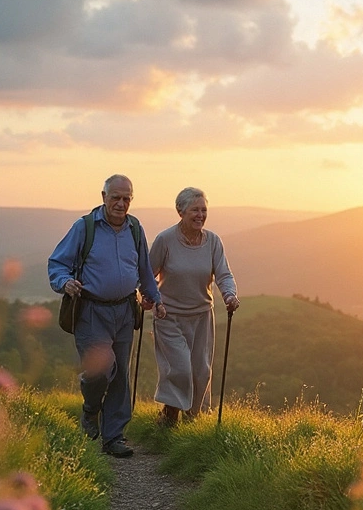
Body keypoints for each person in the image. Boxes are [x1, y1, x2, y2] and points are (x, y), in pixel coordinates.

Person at [48, 174, 165, 458]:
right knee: (102, 368)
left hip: (126, 310)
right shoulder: (84, 227)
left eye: (127, 198)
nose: (121, 203)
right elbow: (57, 263)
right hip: (91, 311)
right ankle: (90, 410)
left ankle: (114, 437)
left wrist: (155, 298)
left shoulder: (135, 229)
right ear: (103, 197)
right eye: (116, 197)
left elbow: (144, 270)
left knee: (120, 374)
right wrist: (66, 282)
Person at [150, 187, 239, 426]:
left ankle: (193, 422)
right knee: (180, 369)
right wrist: (151, 299)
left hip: (201, 316)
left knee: (201, 372)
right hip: (169, 315)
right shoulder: (165, 240)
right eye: (195, 210)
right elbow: (149, 275)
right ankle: (169, 418)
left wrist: (229, 295)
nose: (200, 215)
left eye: (204, 210)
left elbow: (223, 274)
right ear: (180, 211)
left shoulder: (213, 242)